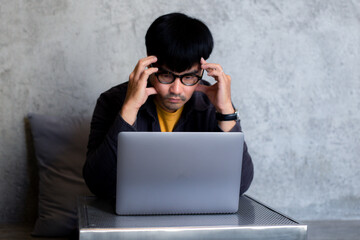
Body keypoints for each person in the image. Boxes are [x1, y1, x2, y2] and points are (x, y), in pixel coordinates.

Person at [83, 12, 254, 198]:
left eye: (189, 77)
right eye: (166, 75)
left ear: (201, 71)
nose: (176, 90)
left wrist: (226, 111)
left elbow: (240, 186)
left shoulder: (214, 103)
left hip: (196, 214)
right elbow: (97, 183)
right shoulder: (112, 101)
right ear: (149, 65)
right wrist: (130, 108)